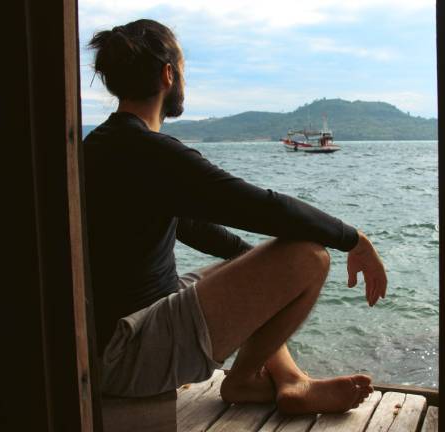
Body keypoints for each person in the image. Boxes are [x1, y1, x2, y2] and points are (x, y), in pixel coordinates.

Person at [84, 19, 387, 415]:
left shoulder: (104, 144)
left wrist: (261, 272)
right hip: (129, 351)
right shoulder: (148, 151)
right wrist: (353, 239)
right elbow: (258, 205)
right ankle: (243, 380)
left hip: (113, 337)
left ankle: (291, 379)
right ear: (168, 74)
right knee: (310, 257)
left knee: (259, 260)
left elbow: (191, 225)